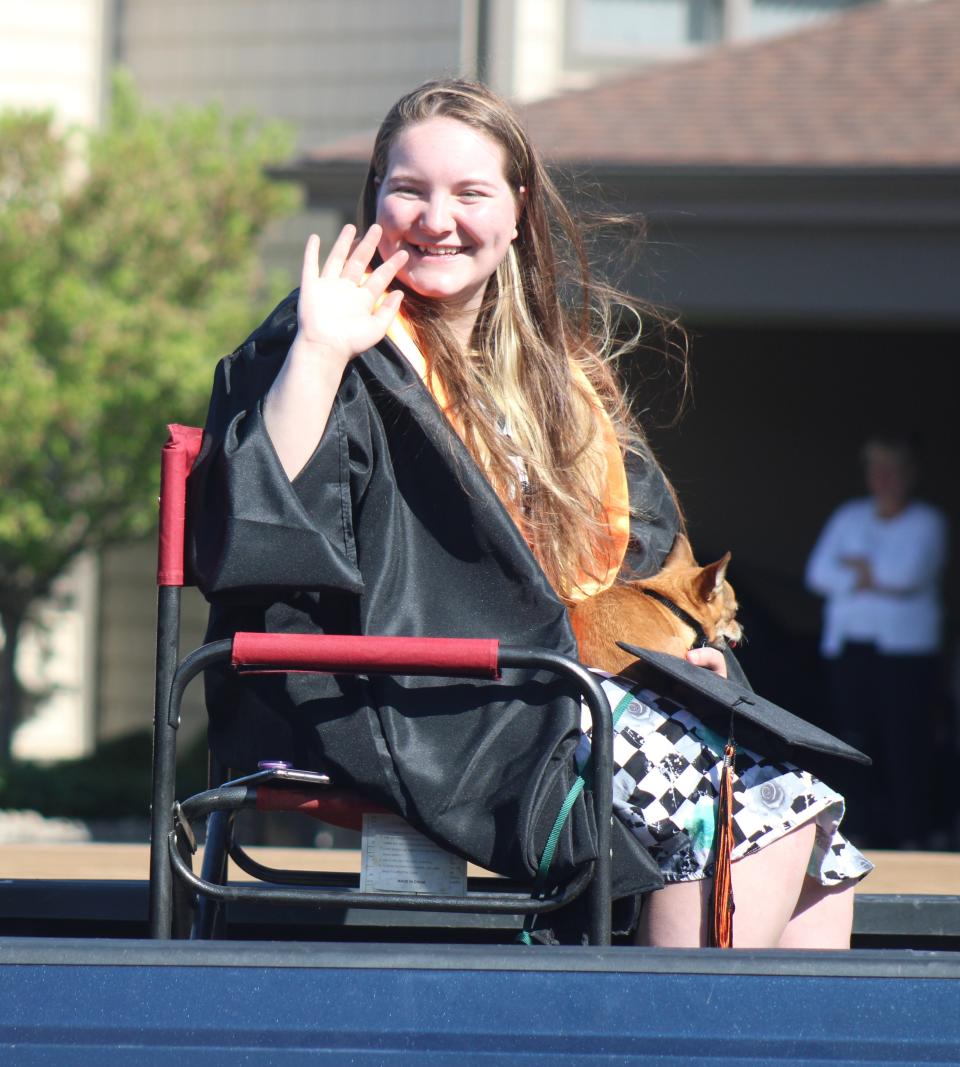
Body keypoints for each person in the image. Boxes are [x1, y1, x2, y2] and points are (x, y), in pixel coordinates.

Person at [189, 79, 870, 948]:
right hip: (398, 692)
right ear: (374, 199)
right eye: (410, 189)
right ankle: (667, 1040)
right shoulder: (328, 336)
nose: (436, 219)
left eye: (469, 192)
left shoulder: (556, 381)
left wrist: (682, 653)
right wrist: (320, 354)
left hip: (538, 688)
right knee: (738, 814)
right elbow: (257, 542)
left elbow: (643, 563)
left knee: (814, 828)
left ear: (516, 213)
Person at [806, 434, 948, 848]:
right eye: (877, 469)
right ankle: (859, 829)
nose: (884, 478)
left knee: (905, 740)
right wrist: (867, 573)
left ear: (910, 474)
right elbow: (818, 574)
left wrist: (855, 569)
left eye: (893, 469)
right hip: (849, 648)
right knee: (853, 738)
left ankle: (912, 834)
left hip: (905, 654)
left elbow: (907, 577)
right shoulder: (849, 516)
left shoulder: (928, 522)